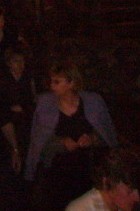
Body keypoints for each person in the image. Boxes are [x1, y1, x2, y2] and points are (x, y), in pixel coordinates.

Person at [24, 61, 118, 211]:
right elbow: (38, 142)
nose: (52, 86)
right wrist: (61, 143)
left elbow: (107, 134)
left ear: (71, 83)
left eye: (57, 82)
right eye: (51, 81)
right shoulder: (45, 104)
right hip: (58, 174)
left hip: (88, 171)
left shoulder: (92, 102)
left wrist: (92, 138)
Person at [66, 148, 140, 211]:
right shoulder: (80, 209)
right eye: (129, 192)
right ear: (107, 183)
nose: (137, 198)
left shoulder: (121, 206)